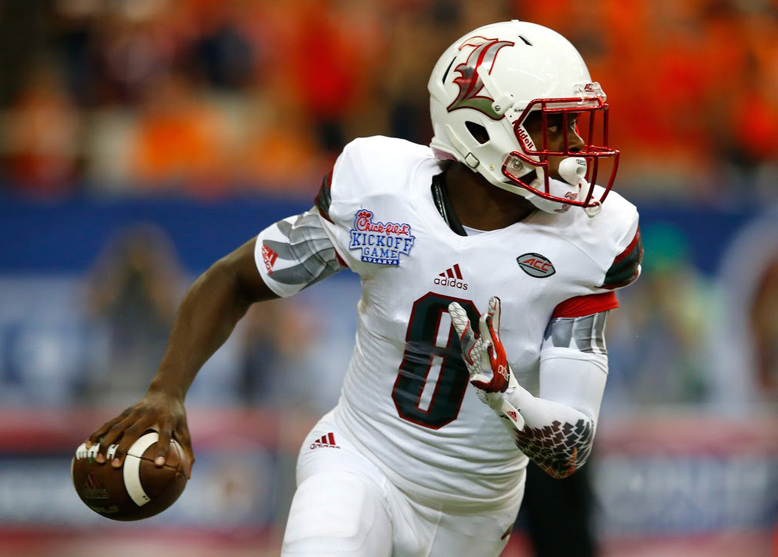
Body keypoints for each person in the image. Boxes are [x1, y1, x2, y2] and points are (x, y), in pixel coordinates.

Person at [85, 20, 642, 556]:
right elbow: (234, 280)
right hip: (357, 461)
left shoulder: (591, 239)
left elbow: (569, 447)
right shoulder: (382, 193)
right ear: (479, 128)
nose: (571, 147)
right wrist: (167, 389)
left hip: (474, 513)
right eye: (551, 125)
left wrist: (506, 393)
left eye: (574, 123)